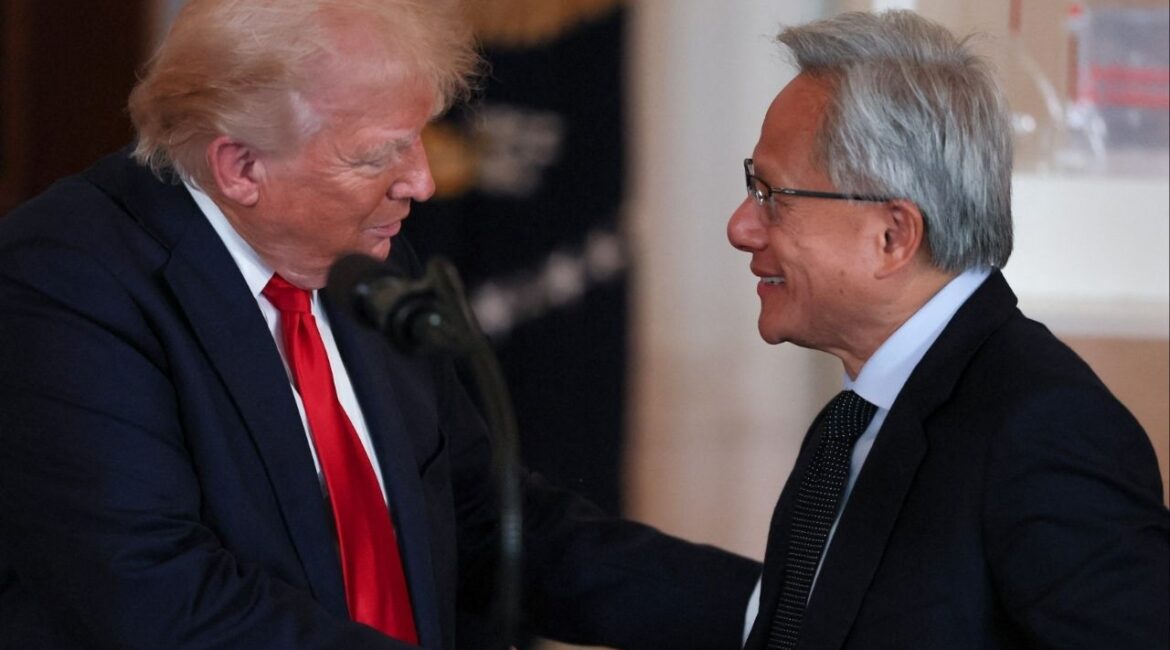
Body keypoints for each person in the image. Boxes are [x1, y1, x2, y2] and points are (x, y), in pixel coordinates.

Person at [0, 1, 760, 648]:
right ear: (240, 166)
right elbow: (160, 597)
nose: (422, 182)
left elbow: (483, 523)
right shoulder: (64, 281)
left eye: (420, 137)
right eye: (378, 156)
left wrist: (776, 611)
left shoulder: (364, 260)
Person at [727, 10, 1169, 650]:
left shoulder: (1045, 430)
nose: (741, 227)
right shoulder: (853, 420)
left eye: (774, 195)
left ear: (893, 236)